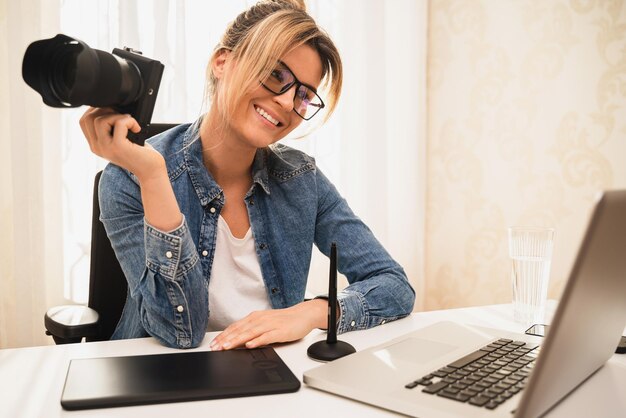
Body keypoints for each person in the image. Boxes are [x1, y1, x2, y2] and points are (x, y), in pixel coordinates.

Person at [79, 0, 415, 350]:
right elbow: (180, 332)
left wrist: (311, 312)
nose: (287, 104)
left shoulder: (302, 180)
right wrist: (153, 178)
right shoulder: (130, 178)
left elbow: (393, 284)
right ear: (222, 62)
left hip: (274, 375)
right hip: (160, 379)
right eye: (275, 75)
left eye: (303, 95)